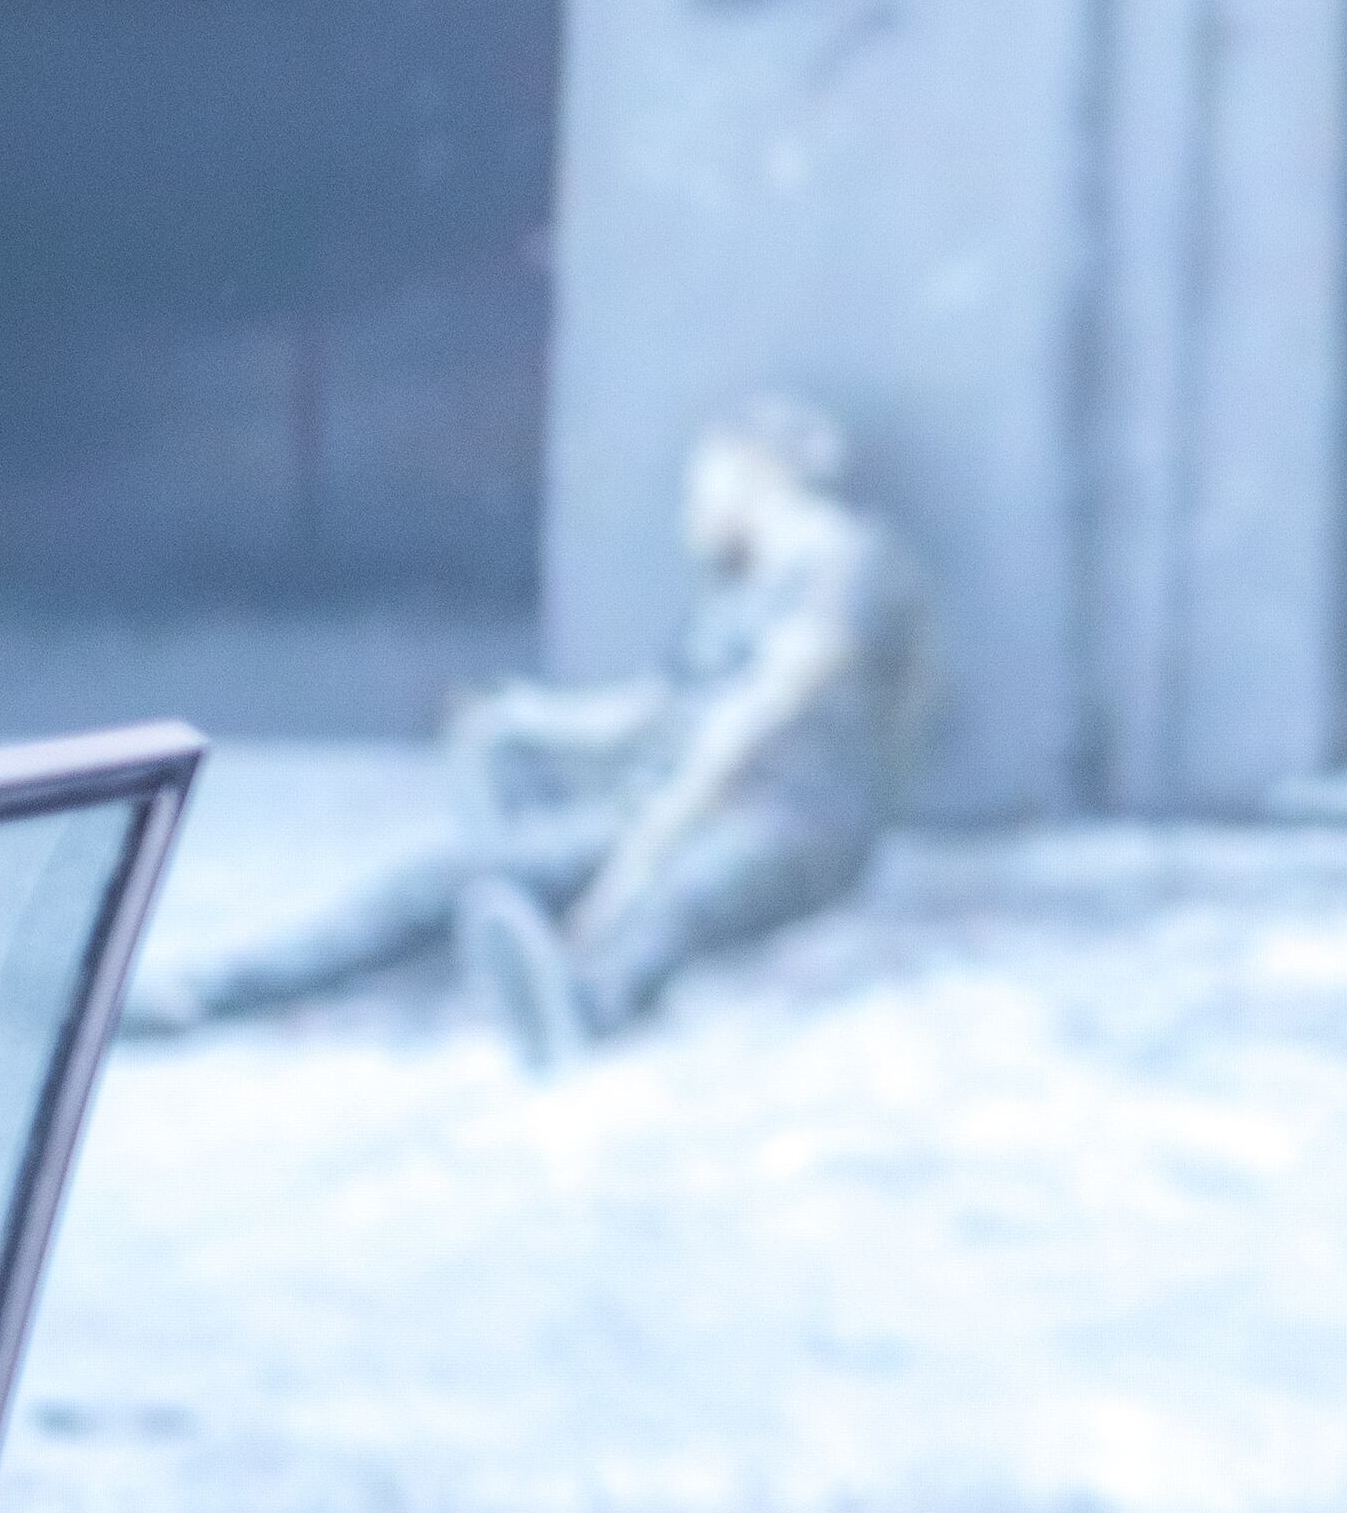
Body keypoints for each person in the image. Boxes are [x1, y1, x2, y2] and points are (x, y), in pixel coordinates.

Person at [132, 396, 925, 1066]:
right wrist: (532, 720)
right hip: (664, 809)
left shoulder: (848, 561)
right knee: (444, 874)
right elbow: (658, 710)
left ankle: (582, 1010)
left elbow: (753, 723)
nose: (695, 501)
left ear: (754, 469)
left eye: (705, 477)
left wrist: (635, 861)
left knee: (671, 909)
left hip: (790, 824)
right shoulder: (735, 587)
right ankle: (213, 991)